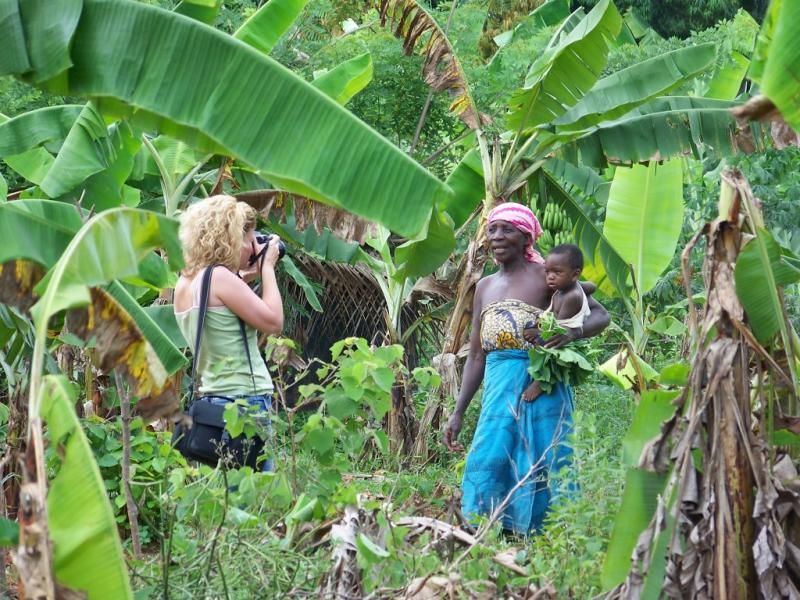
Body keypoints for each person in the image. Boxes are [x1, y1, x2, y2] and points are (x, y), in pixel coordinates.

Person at [443, 202, 609, 535]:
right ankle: (484, 529)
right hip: (499, 385)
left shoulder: (548, 276)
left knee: (547, 459)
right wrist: (458, 412)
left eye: (508, 230)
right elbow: (476, 356)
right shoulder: (485, 287)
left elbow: (600, 315)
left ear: (526, 237)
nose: (498, 236)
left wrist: (570, 334)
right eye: (492, 229)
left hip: (542, 385)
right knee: (489, 456)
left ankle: (551, 536)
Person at [173, 195, 284, 471]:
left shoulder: (184, 284)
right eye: (247, 237)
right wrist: (267, 267)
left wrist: (247, 275)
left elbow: (220, 303)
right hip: (244, 399)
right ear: (229, 237)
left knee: (224, 495)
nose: (251, 246)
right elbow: (273, 321)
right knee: (258, 494)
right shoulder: (220, 278)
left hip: (212, 401)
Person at [521, 243, 591, 402]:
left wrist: (537, 333)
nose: (550, 277)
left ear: (575, 275)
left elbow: (557, 331)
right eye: (548, 272)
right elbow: (590, 286)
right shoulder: (562, 289)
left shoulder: (571, 296)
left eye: (557, 272)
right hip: (558, 327)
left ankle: (542, 381)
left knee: (553, 352)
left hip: (565, 339)